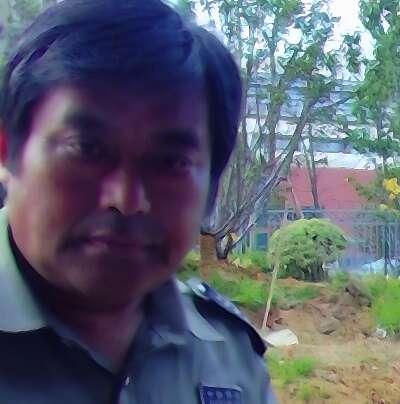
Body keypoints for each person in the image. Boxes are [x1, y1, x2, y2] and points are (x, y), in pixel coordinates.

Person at [0, 0, 276, 402]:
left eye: (170, 162)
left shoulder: (229, 360)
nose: (127, 200)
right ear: (7, 151)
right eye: (87, 149)